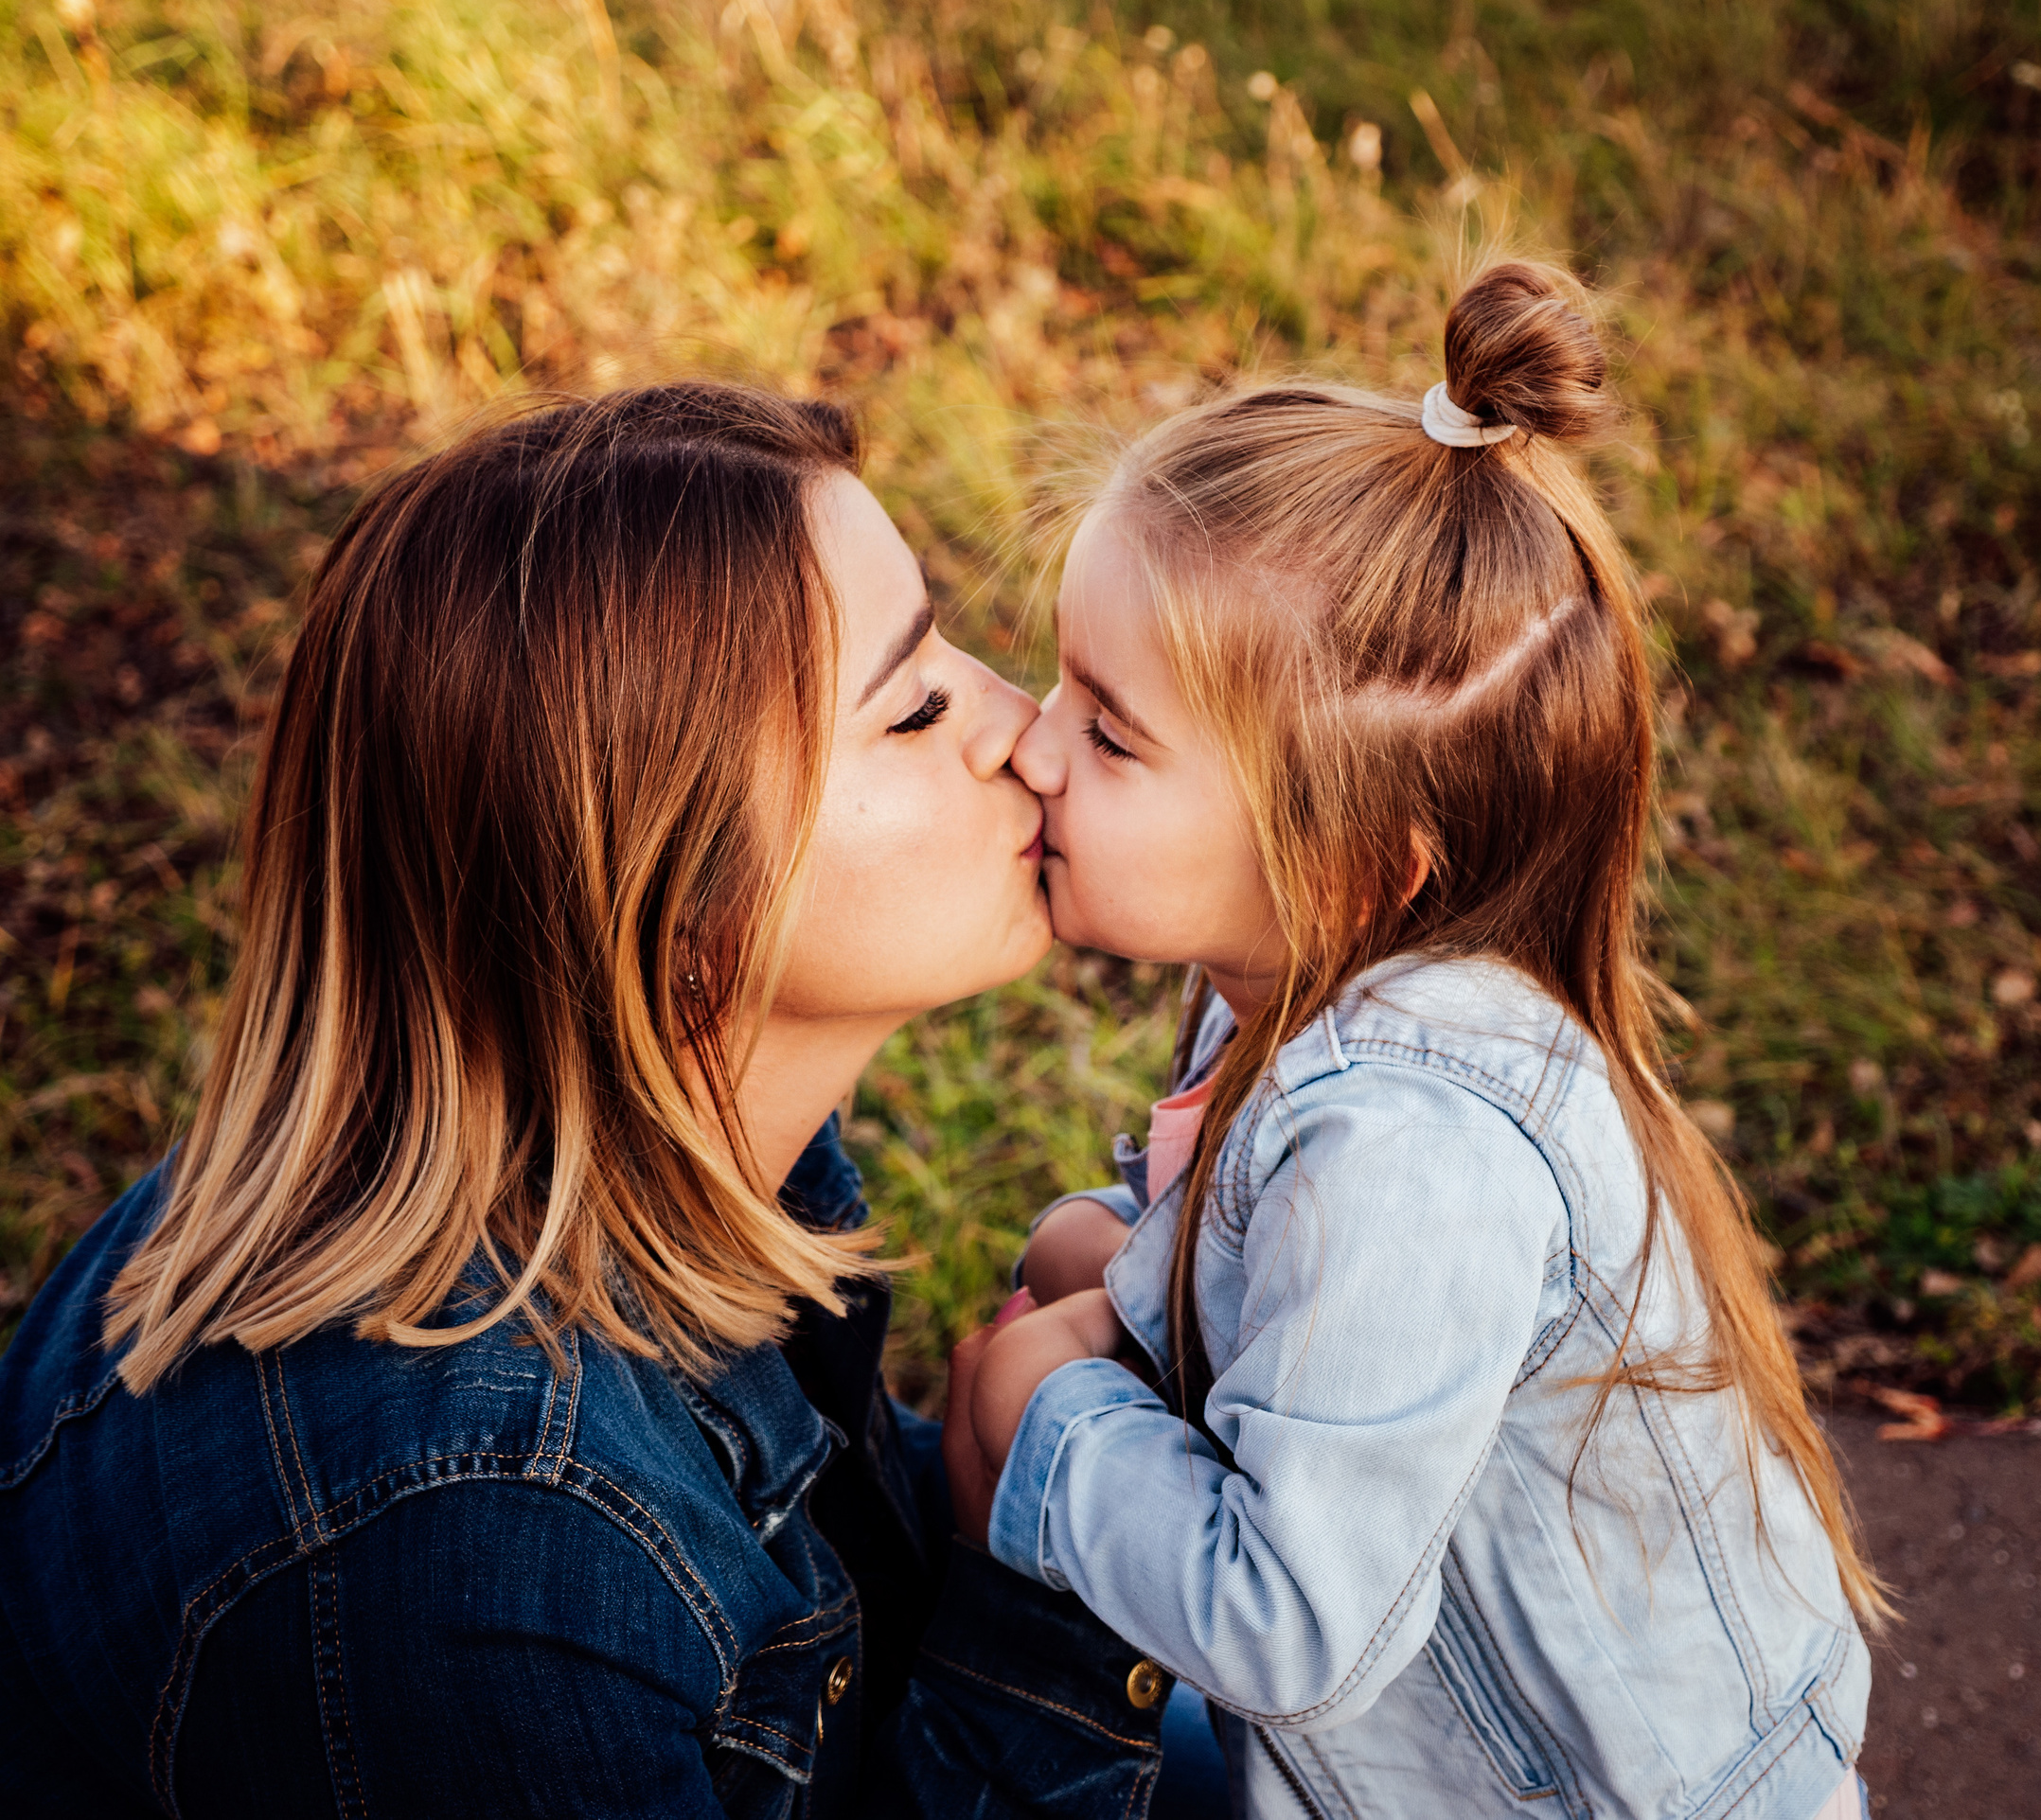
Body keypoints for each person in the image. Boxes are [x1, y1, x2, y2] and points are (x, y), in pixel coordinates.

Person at [0, 383, 1216, 1817]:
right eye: (914, 706)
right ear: (666, 907)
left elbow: (772, 1588)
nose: (1024, 733)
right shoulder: (484, 1547)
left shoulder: (598, 1137)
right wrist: (1039, 1605)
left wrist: (1010, 1470)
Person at [950, 263, 1889, 1820]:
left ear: (1348, 866)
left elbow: (1295, 1624)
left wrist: (1044, 1421)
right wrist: (1124, 1271)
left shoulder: (1412, 1146)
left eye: (1111, 733)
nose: (1037, 747)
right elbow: (1275, 1297)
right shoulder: (1289, 984)